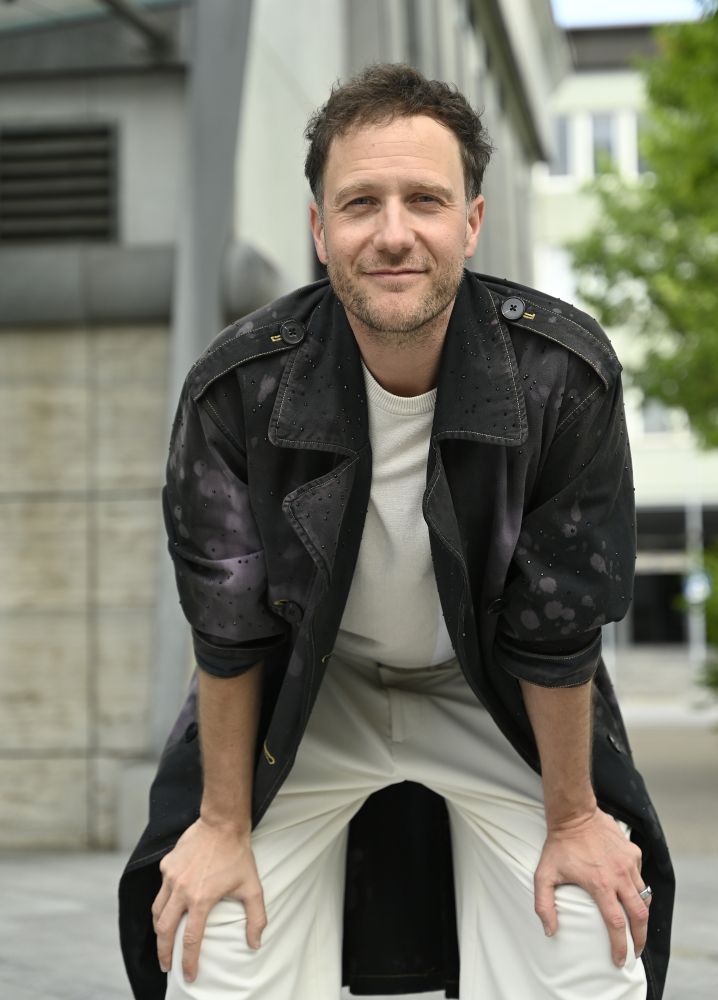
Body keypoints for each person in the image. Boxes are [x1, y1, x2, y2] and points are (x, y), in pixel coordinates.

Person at [119, 64, 674, 1000]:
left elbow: (558, 626)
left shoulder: (559, 376)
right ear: (319, 228)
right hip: (311, 697)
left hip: (489, 689)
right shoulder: (240, 387)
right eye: (360, 203)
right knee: (216, 950)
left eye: (425, 199)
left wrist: (576, 819)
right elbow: (228, 629)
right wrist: (220, 825)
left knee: (588, 942)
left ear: (472, 221)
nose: (392, 233)